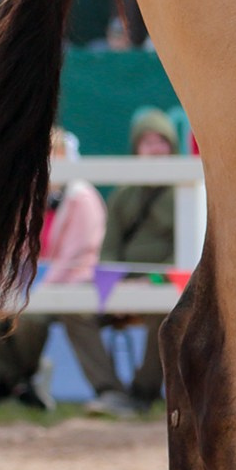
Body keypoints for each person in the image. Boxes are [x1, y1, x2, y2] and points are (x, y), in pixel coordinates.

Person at [0, 128, 110, 412]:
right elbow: (19, 252)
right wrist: (12, 289)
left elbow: (73, 259)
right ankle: (21, 385)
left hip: (72, 283)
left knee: (29, 318)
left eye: (54, 154)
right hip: (33, 285)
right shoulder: (31, 199)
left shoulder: (82, 198)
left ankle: (11, 383)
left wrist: (34, 293)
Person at [94, 106, 179, 410]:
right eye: (147, 142)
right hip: (123, 285)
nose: (155, 149)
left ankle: (143, 393)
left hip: (163, 285)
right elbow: (109, 249)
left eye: (161, 141)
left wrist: (150, 282)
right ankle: (110, 390)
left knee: (165, 314)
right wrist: (112, 290)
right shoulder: (123, 194)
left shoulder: (185, 192)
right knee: (74, 311)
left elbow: (183, 256)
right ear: (136, 148)